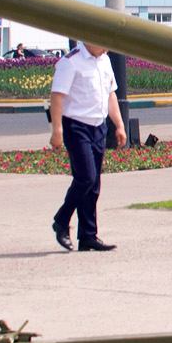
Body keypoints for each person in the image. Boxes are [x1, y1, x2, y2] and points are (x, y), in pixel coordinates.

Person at [49, 41, 126, 252]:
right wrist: (57, 131)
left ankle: (88, 235)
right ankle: (61, 220)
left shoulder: (105, 61)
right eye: (103, 42)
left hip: (98, 126)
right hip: (76, 126)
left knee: (93, 185)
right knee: (85, 177)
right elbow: (57, 97)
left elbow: (111, 94)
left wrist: (119, 125)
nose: (107, 48)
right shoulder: (71, 62)